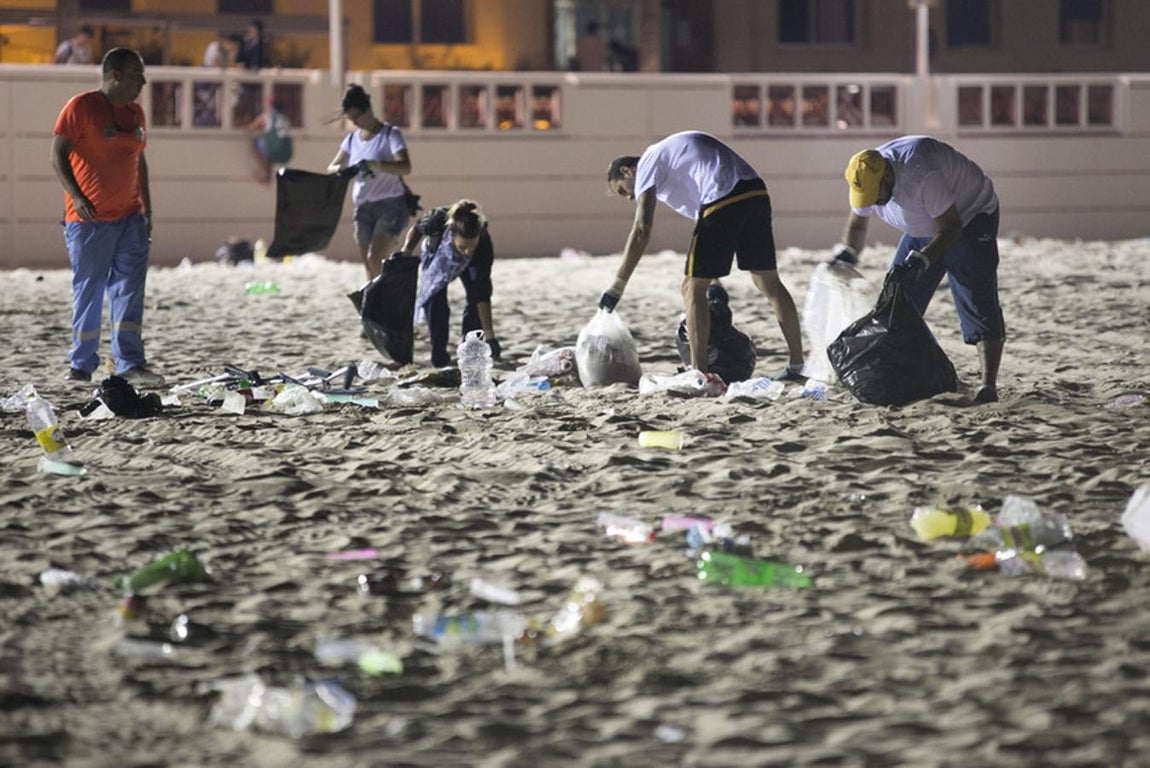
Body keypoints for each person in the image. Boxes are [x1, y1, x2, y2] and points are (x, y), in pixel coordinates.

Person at [601, 130, 805, 381]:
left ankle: (699, 374)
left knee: (690, 288)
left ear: (627, 171)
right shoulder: (675, 170)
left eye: (623, 191)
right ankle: (797, 365)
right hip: (755, 192)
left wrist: (617, 287)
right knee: (768, 282)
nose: (630, 197)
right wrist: (715, 284)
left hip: (724, 196)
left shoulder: (649, 162)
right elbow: (710, 238)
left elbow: (642, 230)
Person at [831, 135, 1005, 403]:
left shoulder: (922, 174)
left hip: (970, 216)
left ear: (887, 177)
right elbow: (856, 226)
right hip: (925, 224)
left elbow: (951, 228)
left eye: (874, 195)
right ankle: (900, 374)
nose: (870, 202)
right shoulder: (864, 174)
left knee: (975, 297)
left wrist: (923, 259)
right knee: (898, 298)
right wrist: (848, 252)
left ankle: (987, 386)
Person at [50, 48, 165, 388]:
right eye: (136, 74)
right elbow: (57, 155)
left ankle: (130, 362)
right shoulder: (82, 107)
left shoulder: (135, 114)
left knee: (129, 290)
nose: (142, 82)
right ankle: (81, 365)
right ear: (114, 74)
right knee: (89, 289)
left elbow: (139, 162)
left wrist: (147, 208)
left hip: (131, 217)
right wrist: (77, 196)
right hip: (88, 222)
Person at [397, 200, 501, 368]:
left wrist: (490, 336)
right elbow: (416, 229)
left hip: (471, 265)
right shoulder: (436, 221)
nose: (467, 251)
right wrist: (406, 251)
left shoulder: (482, 245)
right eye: (463, 246)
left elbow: (482, 293)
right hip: (437, 256)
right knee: (436, 302)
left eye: (471, 246)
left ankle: (471, 349)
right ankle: (439, 355)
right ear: (452, 235)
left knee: (475, 300)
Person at [327, 84, 413, 281]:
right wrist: (345, 169)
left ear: (368, 109)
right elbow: (331, 167)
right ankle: (376, 305)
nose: (355, 122)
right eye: (351, 119)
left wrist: (376, 165)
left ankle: (385, 299)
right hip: (363, 207)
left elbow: (405, 167)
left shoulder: (390, 134)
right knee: (369, 267)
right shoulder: (351, 140)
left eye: (357, 117)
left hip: (391, 205)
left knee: (375, 259)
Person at [247, 96, 293, 184]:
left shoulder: (266, 116)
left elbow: (250, 128)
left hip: (272, 150)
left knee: (256, 142)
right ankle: (268, 176)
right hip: (286, 151)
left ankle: (263, 172)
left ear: (272, 107)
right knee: (270, 146)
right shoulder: (285, 118)